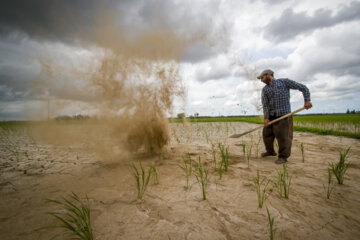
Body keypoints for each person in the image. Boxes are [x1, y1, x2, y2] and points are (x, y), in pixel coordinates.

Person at [257, 69, 312, 164]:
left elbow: (303, 87)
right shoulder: (265, 90)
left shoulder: (284, 82)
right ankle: (270, 152)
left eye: (262, 77)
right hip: (271, 116)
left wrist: (307, 100)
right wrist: (266, 118)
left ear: (269, 75)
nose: (261, 80)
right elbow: (265, 104)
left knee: (283, 137)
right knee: (266, 135)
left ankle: (283, 157)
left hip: (284, 116)